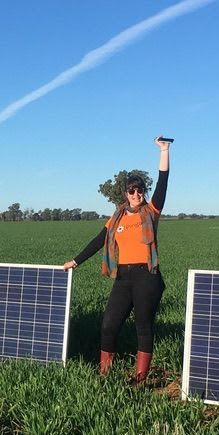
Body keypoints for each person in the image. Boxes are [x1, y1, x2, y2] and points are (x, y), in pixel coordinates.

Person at [64, 137, 170, 384]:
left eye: (140, 190)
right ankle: (105, 374)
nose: (136, 194)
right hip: (122, 277)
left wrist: (164, 151)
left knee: (143, 326)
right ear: (126, 194)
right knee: (109, 325)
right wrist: (75, 261)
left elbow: (163, 183)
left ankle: (140, 379)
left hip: (146, 276)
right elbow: (99, 240)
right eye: (132, 190)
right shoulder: (117, 218)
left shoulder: (151, 211)